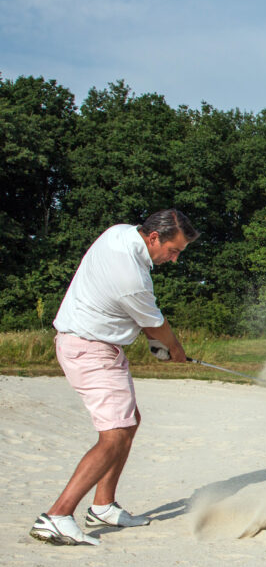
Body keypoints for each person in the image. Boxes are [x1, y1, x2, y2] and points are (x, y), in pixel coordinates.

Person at [30, 209, 199, 545]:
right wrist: (175, 350)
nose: (175, 259)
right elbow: (156, 325)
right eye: (174, 250)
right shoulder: (133, 277)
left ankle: (103, 505)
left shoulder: (119, 232)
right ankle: (57, 515)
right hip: (89, 348)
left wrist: (156, 342)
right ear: (154, 237)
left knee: (129, 422)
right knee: (116, 435)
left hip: (100, 346)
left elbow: (140, 320)